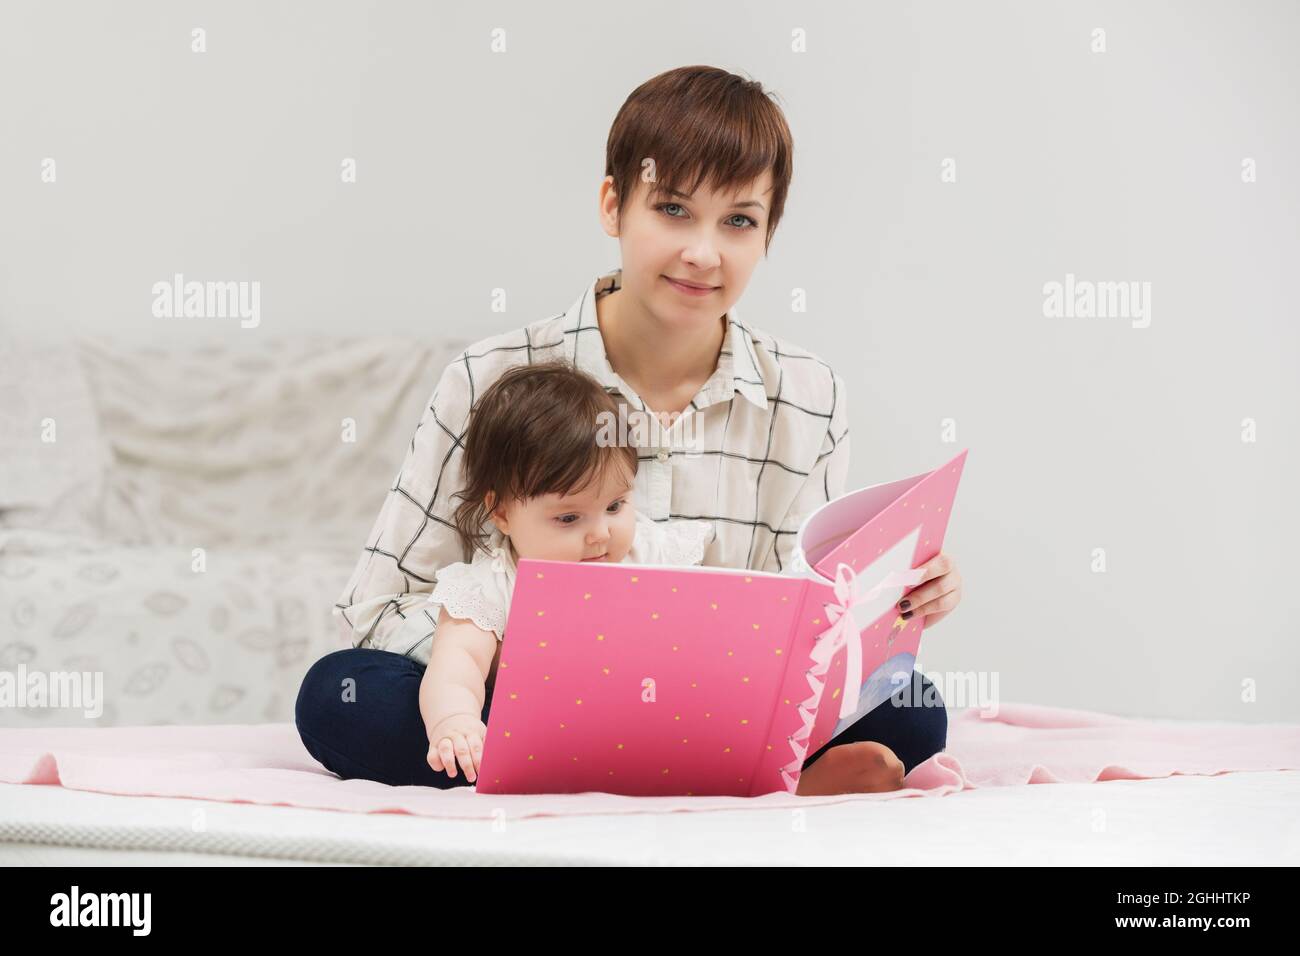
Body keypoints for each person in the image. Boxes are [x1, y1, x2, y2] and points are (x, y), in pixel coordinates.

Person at [296, 64, 964, 794]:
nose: (703, 252)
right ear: (615, 204)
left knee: (916, 709)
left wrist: (900, 600)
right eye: (674, 210)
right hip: (521, 694)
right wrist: (520, 654)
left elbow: (806, 615)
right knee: (338, 695)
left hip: (715, 703)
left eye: (738, 220)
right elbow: (375, 610)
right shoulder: (489, 376)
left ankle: (616, 769)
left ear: (767, 232)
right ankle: (732, 780)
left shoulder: (809, 395)